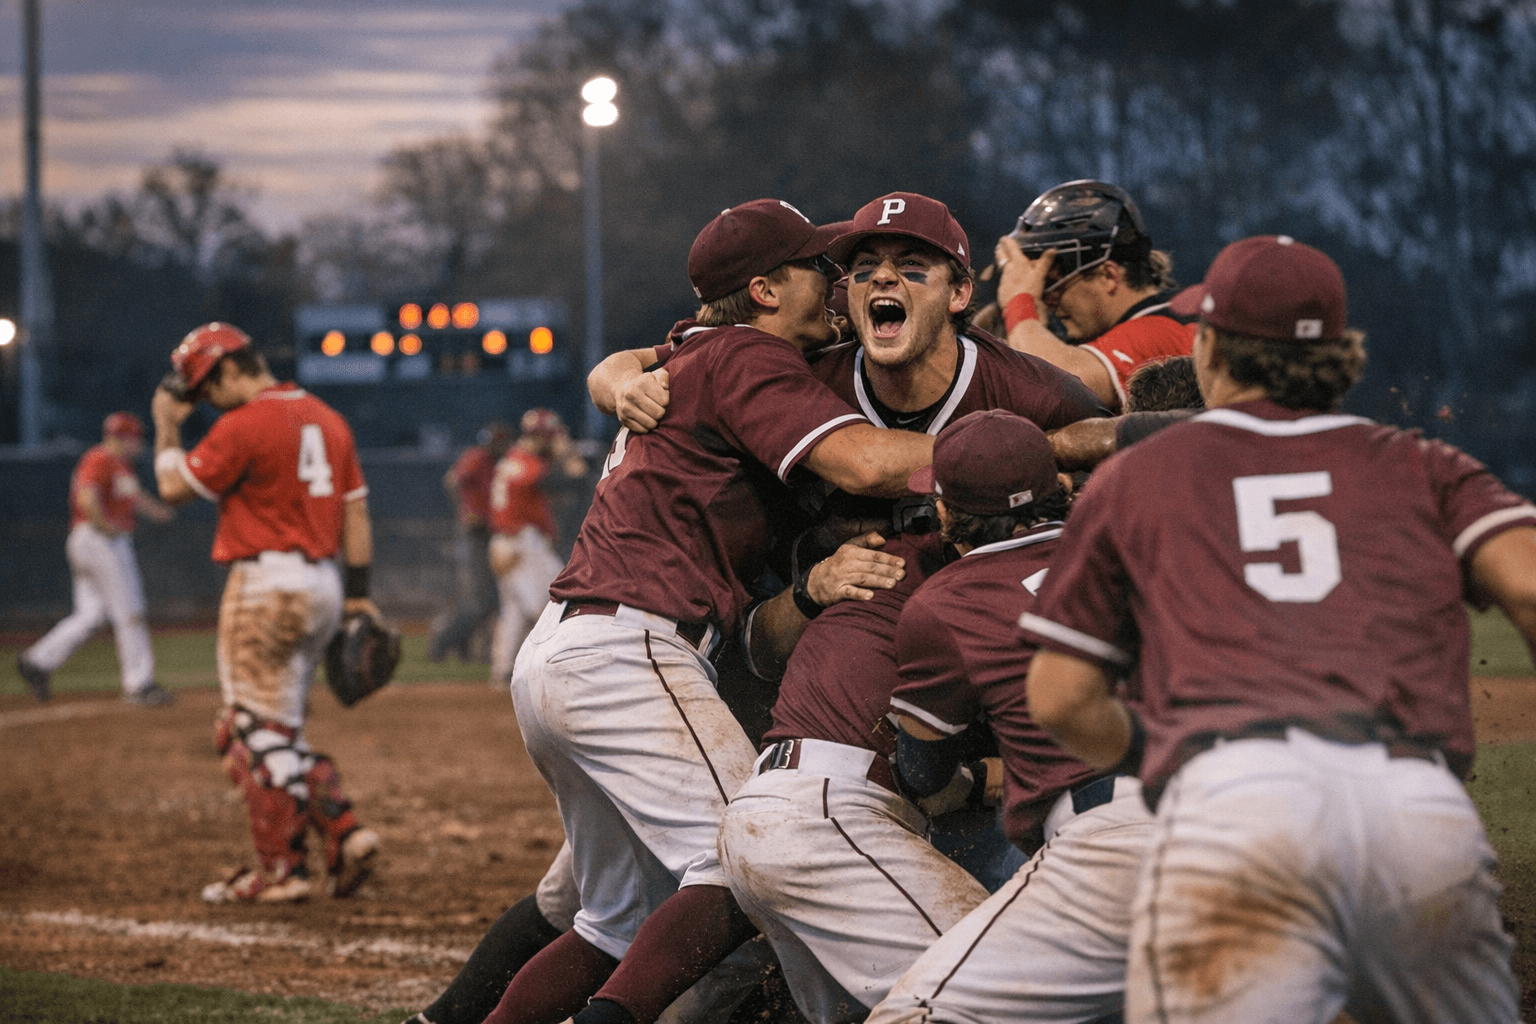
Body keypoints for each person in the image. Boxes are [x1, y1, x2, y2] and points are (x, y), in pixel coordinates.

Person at [592, 192, 1104, 1024]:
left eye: (912, 267)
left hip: (967, 751)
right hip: (814, 727)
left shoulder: (1032, 392)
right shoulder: (801, 375)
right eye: (863, 268)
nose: (882, 280)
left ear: (960, 293)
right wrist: (618, 377)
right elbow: (755, 640)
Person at [1022, 236, 1536, 1023]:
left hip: (1235, 807)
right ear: (1339, 355)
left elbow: (1060, 699)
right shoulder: (1421, 463)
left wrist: (1151, 747)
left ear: (1207, 347)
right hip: (1414, 811)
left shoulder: (1137, 478)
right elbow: (1528, 587)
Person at [481, 198, 937, 1024]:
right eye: (817, 268)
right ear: (764, 290)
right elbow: (866, 464)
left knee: (613, 925)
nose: (835, 282)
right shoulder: (746, 354)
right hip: (631, 651)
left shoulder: (698, 349)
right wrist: (1019, 452)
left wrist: (612, 375)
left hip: (567, 650)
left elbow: (628, 363)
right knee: (754, 859)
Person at [864, 409, 1153, 1024]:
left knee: (913, 1014)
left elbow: (922, 771)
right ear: (1061, 487)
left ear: (945, 515)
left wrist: (972, 778)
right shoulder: (1140, 535)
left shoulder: (944, 601)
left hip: (1115, 838)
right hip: (1249, 807)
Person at [151, 321, 382, 904]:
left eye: (207, 388)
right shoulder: (328, 418)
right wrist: (357, 594)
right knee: (280, 734)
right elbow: (356, 516)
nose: (206, 401)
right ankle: (341, 835)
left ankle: (285, 871)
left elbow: (173, 487)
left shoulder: (245, 422)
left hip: (264, 585)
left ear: (230, 368)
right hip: (324, 583)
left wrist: (166, 426)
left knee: (246, 733)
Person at [993, 179, 1195, 412]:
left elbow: (1055, 390)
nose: (1046, 298)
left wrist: (1019, 302)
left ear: (1108, 276)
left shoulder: (1160, 330)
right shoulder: (1165, 315)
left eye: (1053, 282)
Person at [17, 412, 175, 705]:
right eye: (135, 438)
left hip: (94, 540)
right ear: (123, 438)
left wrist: (161, 512)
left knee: (90, 615)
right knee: (130, 609)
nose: (138, 444)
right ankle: (139, 683)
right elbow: (86, 496)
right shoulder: (100, 458)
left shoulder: (120, 465)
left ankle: (36, 661)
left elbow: (136, 497)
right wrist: (102, 524)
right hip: (101, 540)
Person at [486, 408, 586, 685]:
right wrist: (565, 453)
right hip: (521, 543)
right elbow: (573, 478)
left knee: (514, 611)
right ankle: (553, 665)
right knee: (557, 601)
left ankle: (504, 669)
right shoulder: (526, 461)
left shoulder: (514, 458)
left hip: (509, 541)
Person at [429, 421, 513, 664]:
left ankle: (474, 649)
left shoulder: (502, 462)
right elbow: (451, 480)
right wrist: (466, 510)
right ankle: (442, 641)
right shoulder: (478, 456)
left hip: (491, 532)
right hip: (474, 532)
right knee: (477, 602)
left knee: (492, 600)